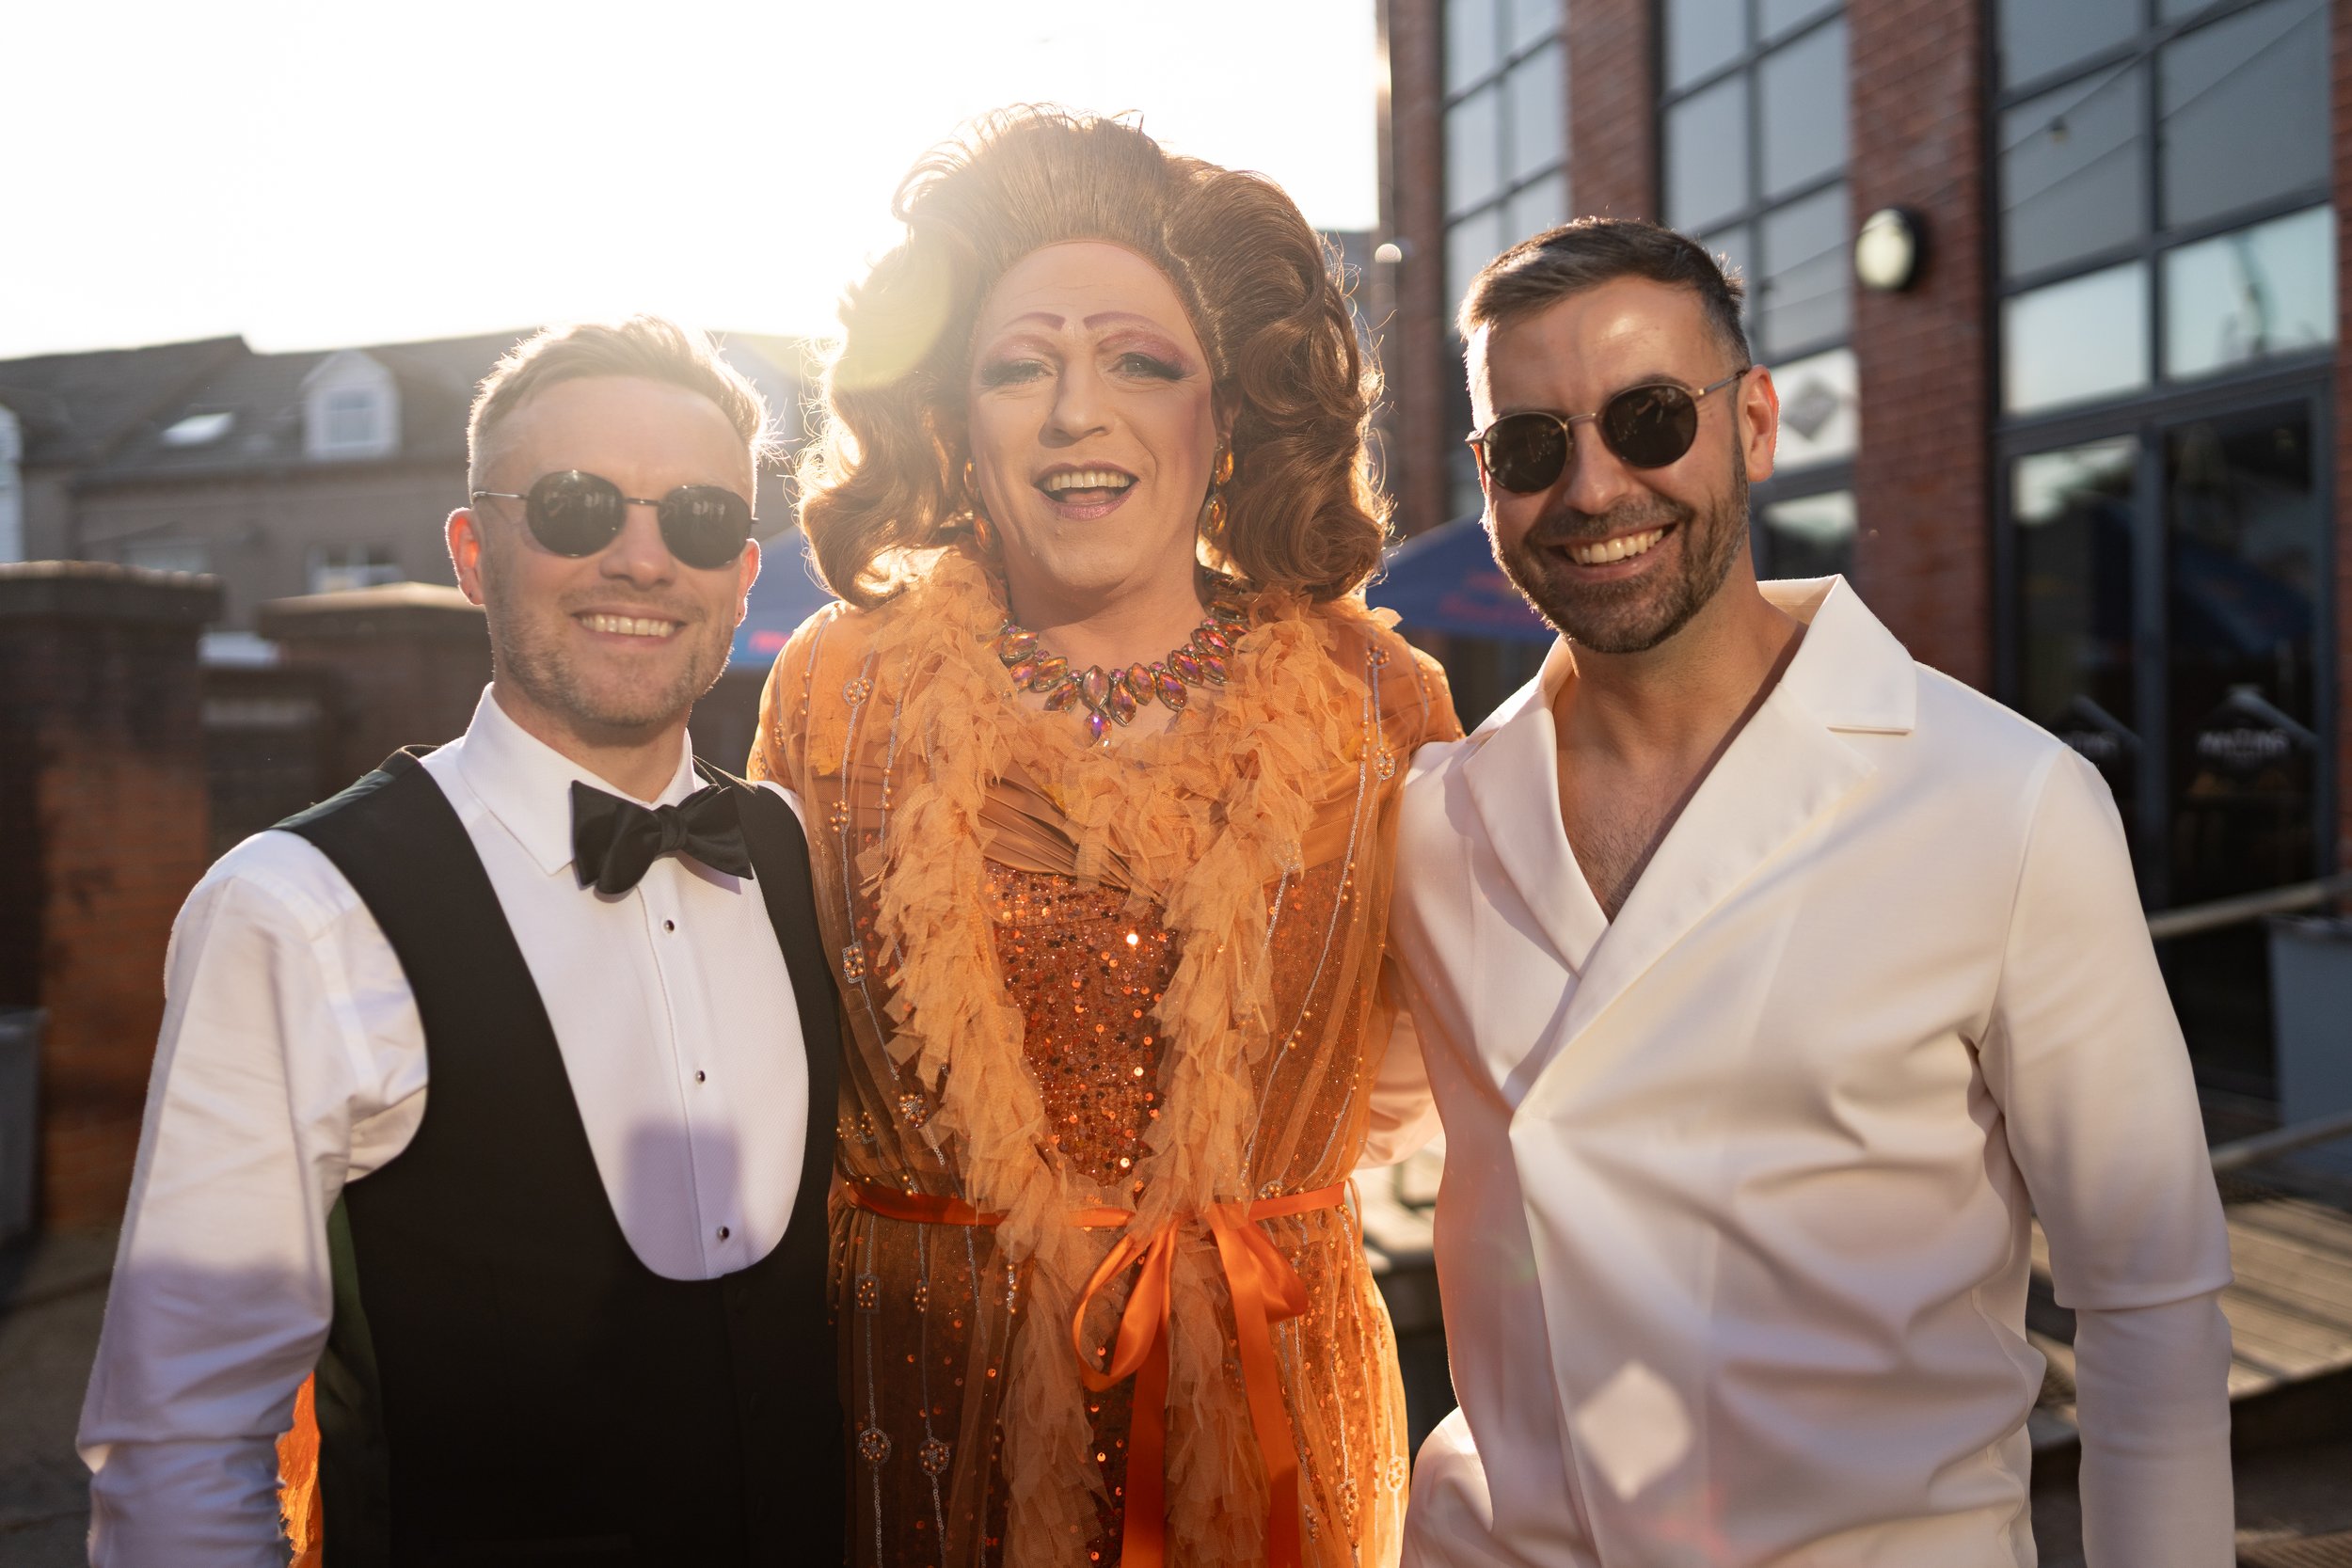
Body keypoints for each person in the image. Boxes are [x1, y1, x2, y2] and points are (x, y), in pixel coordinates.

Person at [1388, 220, 2234, 1568]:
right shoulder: (1431, 821)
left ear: (1758, 423)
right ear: (1489, 485)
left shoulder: (2004, 803)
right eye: (1534, 447)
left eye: (1651, 419)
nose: (1596, 489)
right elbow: (1304, 1131)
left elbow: (2150, 1302)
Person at [752, 108, 1458, 1568]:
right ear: (956, 416)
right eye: (1023, 367)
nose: (1080, 414)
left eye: (1142, 361)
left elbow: (1438, 1081)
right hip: (912, 1424)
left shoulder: (1381, 702)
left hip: (1265, 1437)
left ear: (1230, 415)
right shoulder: (834, 690)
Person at [77, 317, 847, 1567]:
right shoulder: (296, 908)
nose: (642, 559)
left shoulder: (800, 854)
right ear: (473, 549)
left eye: (697, 519)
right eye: (578, 505)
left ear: (745, 573)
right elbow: (181, 1443)